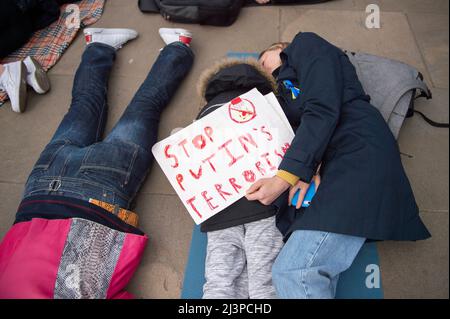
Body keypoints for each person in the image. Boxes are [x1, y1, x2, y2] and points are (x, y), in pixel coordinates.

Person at [0, 27, 194, 299]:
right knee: (83, 105)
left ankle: (178, 47)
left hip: (97, 201)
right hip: (40, 193)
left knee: (145, 107)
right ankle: (98, 45)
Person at [245, 32, 431, 299]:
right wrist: (312, 167)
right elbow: (308, 127)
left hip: (358, 149)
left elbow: (323, 107)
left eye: (264, 60)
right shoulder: (284, 93)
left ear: (280, 48)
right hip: (334, 161)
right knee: (297, 270)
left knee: (296, 273)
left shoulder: (305, 45)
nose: (265, 69)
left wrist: (285, 177)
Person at [195, 59, 284, 299]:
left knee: (219, 281)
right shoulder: (269, 105)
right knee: (264, 281)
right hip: (263, 203)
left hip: (219, 210)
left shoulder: (203, 115)